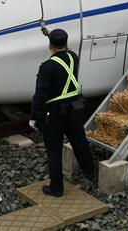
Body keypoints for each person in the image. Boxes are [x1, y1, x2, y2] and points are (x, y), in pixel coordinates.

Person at [29, 28, 95, 197]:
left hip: (55, 115)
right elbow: (67, 50)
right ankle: (90, 172)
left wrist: (34, 116)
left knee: (54, 151)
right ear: (66, 43)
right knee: (80, 142)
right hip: (74, 110)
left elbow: (40, 94)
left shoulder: (47, 67)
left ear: (50, 45)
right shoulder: (74, 58)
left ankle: (56, 188)